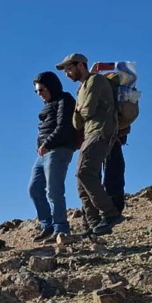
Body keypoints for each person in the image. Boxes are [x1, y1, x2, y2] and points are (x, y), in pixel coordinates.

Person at [56, 53, 122, 235]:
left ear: (81, 65)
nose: (67, 74)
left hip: (101, 131)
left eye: (69, 69)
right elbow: (77, 122)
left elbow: (88, 110)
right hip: (90, 134)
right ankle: (93, 224)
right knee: (80, 179)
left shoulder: (96, 81)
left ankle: (110, 214)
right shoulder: (81, 89)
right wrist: (81, 109)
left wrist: (81, 109)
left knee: (85, 173)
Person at [29, 71, 78, 242]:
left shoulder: (65, 100)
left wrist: (47, 143)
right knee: (34, 188)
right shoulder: (48, 106)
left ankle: (61, 228)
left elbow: (64, 126)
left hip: (59, 149)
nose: (39, 94)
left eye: (41, 90)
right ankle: (47, 226)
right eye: (36, 91)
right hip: (44, 153)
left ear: (51, 87)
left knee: (54, 190)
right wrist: (40, 146)